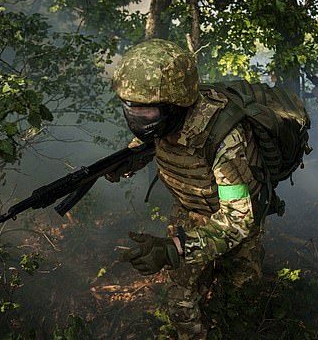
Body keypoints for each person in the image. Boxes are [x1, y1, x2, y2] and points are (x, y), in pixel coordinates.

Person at [108, 38, 266, 339]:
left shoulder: (224, 138)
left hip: (234, 218)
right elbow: (148, 141)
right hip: (188, 210)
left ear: (175, 106)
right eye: (131, 109)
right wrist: (124, 162)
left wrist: (174, 249)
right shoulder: (162, 118)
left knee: (241, 299)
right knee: (180, 298)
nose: (138, 119)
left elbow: (237, 220)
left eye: (146, 112)